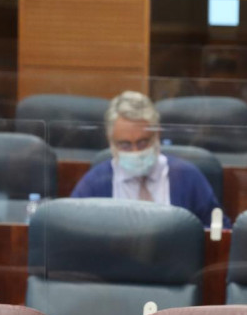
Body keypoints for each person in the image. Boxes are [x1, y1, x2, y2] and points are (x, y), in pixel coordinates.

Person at [71, 91, 226, 228]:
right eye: (125, 145)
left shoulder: (188, 177)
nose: (136, 151)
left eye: (143, 142)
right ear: (110, 142)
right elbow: (72, 235)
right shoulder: (94, 184)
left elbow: (218, 234)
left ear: (157, 135)